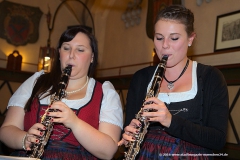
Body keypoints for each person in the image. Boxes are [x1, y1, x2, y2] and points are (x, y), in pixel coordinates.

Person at [118, 5, 229, 160]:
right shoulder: (140, 78)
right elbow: (129, 131)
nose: (165, 45)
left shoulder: (211, 78)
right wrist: (128, 136)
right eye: (159, 37)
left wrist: (170, 121)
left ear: (190, 39)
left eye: (174, 38)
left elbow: (217, 140)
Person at [0, 26, 123, 160]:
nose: (71, 55)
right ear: (59, 53)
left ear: (92, 57)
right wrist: (24, 139)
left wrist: (74, 122)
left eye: (80, 50)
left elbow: (109, 151)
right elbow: (7, 129)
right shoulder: (36, 81)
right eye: (66, 48)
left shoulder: (105, 92)